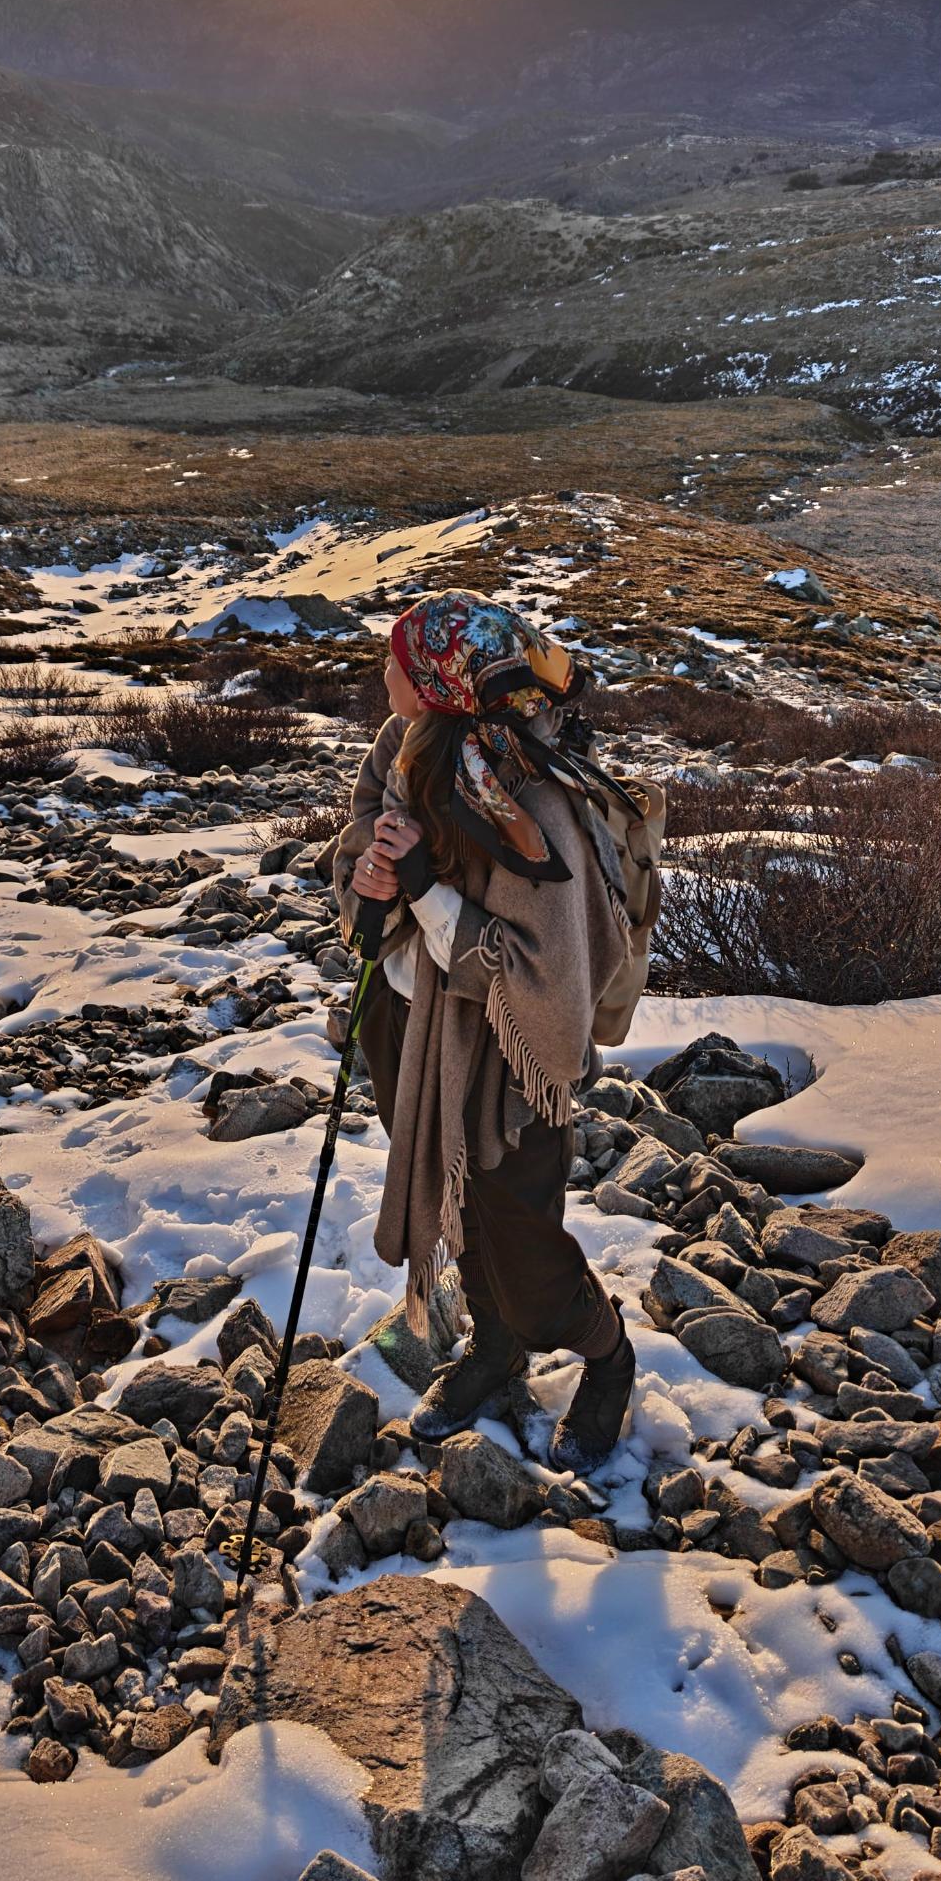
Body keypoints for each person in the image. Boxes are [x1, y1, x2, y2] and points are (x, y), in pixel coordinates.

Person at [330, 588, 638, 1472]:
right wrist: (374, 887)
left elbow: (546, 982)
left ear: (442, 682)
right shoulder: (400, 745)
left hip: (507, 1068)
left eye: (400, 660)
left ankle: (607, 1353)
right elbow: (353, 856)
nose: (385, 672)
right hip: (412, 1033)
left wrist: (426, 888)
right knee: (455, 1206)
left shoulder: (530, 800)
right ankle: (498, 1349)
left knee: (529, 1253)